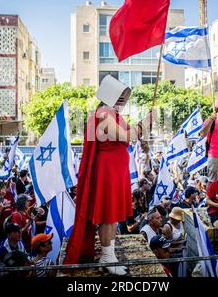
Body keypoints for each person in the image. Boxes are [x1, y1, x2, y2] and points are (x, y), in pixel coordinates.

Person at [64, 75, 156, 275]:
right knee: (108, 214)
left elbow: (131, 133)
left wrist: (143, 125)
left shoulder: (112, 114)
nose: (123, 97)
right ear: (109, 94)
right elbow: (127, 136)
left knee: (113, 215)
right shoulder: (104, 113)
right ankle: (107, 256)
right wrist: (146, 122)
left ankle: (109, 254)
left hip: (114, 171)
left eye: (125, 94)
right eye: (120, 94)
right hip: (107, 171)